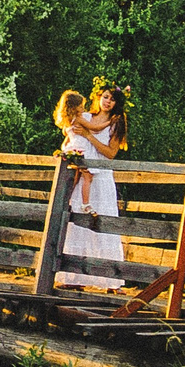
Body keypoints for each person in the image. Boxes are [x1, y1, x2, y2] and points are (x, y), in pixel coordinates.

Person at [52, 88, 126, 289]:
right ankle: (73, 277)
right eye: (105, 97)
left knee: (103, 226)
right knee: (77, 223)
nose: (108, 102)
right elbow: (68, 139)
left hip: (101, 177)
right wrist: (69, 151)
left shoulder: (116, 123)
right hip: (85, 173)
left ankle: (109, 279)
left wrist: (89, 136)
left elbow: (111, 153)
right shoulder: (86, 116)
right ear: (99, 98)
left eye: (112, 99)